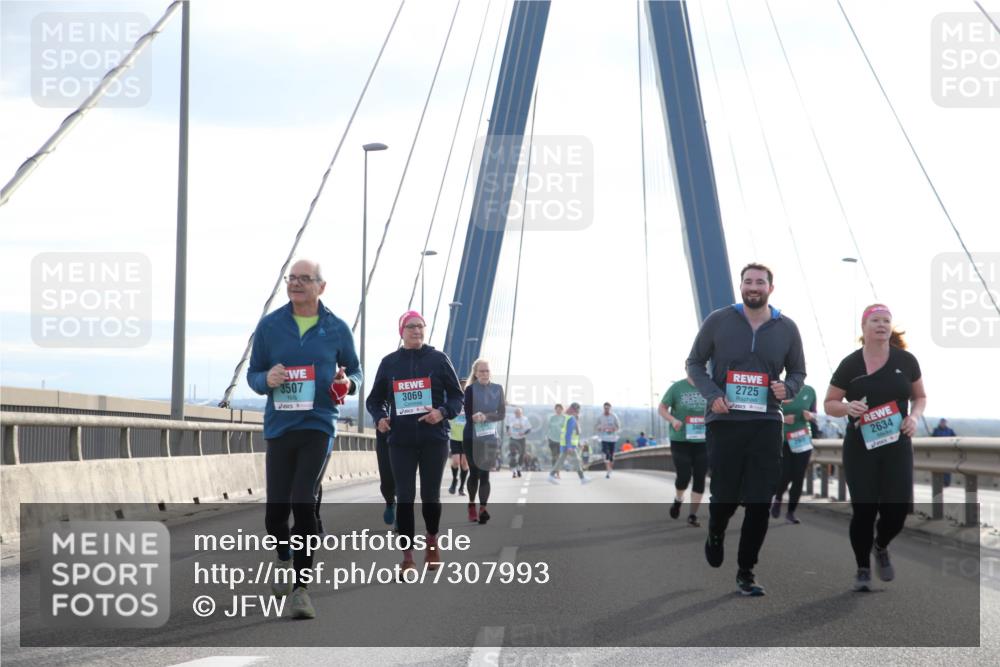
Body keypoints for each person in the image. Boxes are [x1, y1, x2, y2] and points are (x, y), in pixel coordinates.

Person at [247, 258, 362, 619]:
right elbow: (253, 374)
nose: (295, 284)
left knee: (303, 499)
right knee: (275, 514)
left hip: (319, 424)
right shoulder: (270, 326)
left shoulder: (336, 328)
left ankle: (301, 589)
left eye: (304, 279)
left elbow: (356, 371)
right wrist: (266, 380)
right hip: (280, 427)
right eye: (291, 278)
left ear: (321, 287)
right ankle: (284, 556)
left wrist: (348, 383)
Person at [687, 263, 806, 597]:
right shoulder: (718, 320)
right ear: (741, 287)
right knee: (724, 497)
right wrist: (713, 395)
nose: (754, 287)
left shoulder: (787, 328)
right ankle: (715, 531)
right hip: (725, 422)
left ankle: (746, 572)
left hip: (766, 422)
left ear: (771, 288)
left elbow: (798, 372)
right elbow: (694, 363)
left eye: (760, 282)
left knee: (759, 501)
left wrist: (788, 388)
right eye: (748, 282)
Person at [824, 304, 926, 592]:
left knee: (897, 511)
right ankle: (863, 569)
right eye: (875, 320)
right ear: (864, 326)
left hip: (897, 444)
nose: (881, 325)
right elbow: (829, 403)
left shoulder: (906, 361)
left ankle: (880, 545)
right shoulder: (850, 364)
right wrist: (847, 408)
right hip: (861, 447)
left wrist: (914, 417)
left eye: (886, 321)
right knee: (864, 511)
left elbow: (920, 397)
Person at [366, 311, 463, 576]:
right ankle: (407, 558)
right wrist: (380, 417)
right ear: (401, 331)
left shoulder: (439, 359)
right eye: (411, 326)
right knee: (405, 497)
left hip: (434, 440)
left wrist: (442, 412)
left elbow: (457, 397)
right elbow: (374, 400)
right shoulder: (389, 363)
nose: (417, 330)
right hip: (400, 441)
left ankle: (431, 540)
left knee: (430, 496)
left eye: (421, 326)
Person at [659, 376, 709, 527]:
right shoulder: (677, 388)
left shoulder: (709, 386)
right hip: (680, 440)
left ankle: (692, 515)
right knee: (684, 476)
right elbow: (662, 408)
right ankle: (678, 499)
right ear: (687, 368)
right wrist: (673, 420)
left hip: (703, 441)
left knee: (700, 477)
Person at [464, 358, 505, 524]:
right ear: (475, 373)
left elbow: (501, 413)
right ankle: (471, 505)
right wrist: (474, 417)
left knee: (485, 473)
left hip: (489, 438)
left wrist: (486, 416)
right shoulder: (470, 390)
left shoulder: (498, 389)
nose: (485, 373)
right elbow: (467, 414)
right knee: (474, 473)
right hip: (471, 437)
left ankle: (483, 508)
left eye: (487, 370)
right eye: (481, 371)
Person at [770, 384, 818, 525]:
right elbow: (769, 413)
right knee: (785, 474)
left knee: (798, 476)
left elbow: (815, 413)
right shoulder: (780, 388)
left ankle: (791, 512)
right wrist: (784, 419)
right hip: (783, 440)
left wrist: (811, 416)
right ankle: (778, 498)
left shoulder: (810, 391)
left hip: (802, 439)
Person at [548, 402, 590, 484]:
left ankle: (551, 475)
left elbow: (574, 433)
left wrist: (578, 444)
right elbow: (568, 433)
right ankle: (582, 478)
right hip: (568, 444)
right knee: (576, 460)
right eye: (578, 410)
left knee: (561, 460)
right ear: (575, 410)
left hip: (567, 443)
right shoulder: (571, 419)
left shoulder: (567, 417)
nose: (578, 412)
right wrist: (569, 446)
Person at [447, 380, 470, 495]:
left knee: (464, 463)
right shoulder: (454, 399)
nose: (463, 389)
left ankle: (461, 487)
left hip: (467, 436)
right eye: (462, 387)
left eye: (465, 387)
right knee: (456, 462)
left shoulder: (472, 401)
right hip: (455, 436)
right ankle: (454, 480)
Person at [596, 402, 621, 478]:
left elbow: (618, 427)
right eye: (605, 408)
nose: (606, 409)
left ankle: (610, 469)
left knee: (611, 456)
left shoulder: (614, 416)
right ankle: (608, 471)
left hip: (612, 439)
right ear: (603, 408)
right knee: (606, 454)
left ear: (610, 408)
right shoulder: (600, 417)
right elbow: (596, 427)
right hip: (604, 438)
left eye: (608, 408)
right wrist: (601, 428)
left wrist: (612, 429)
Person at [507, 407, 531, 478]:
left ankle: (519, 468)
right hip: (513, 438)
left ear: (521, 413)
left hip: (521, 439)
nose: (517, 414)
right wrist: (508, 431)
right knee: (513, 454)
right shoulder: (511, 418)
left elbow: (529, 428)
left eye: (519, 413)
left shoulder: (525, 419)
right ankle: (514, 470)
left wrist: (524, 433)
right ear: (514, 413)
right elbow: (507, 425)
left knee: (521, 454)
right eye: (516, 413)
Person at [932, 418, 956, 485]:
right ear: (940, 423)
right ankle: (938, 482)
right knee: (938, 467)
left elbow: (955, 439)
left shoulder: (950, 431)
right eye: (942, 422)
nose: (943, 424)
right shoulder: (936, 431)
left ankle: (946, 482)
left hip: (948, 452)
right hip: (938, 453)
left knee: (947, 468)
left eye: (944, 422)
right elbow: (932, 440)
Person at [546, 404, 565, 479]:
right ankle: (554, 473)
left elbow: (566, 429)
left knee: (559, 457)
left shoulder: (564, 418)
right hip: (552, 439)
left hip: (561, 440)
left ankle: (557, 472)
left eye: (560, 409)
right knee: (554, 456)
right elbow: (549, 428)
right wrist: (548, 437)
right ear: (555, 410)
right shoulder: (552, 418)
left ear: (562, 410)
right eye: (557, 409)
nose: (558, 410)